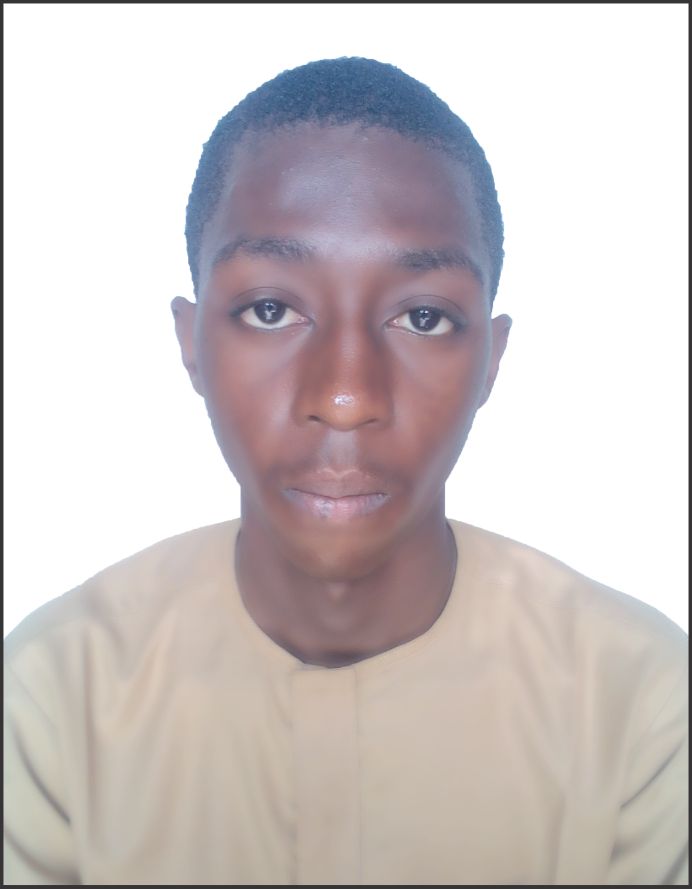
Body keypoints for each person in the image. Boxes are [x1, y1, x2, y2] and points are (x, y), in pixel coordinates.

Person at [4, 57, 687, 886]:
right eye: (270, 309)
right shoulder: (51, 698)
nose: (345, 395)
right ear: (191, 342)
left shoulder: (642, 706)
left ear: (491, 359)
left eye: (423, 316)